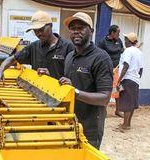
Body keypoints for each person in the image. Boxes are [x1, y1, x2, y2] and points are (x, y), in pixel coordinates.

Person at [59, 12, 113, 149]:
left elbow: (105, 98)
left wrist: (75, 92)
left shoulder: (101, 58)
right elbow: (69, 85)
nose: (76, 31)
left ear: (91, 31)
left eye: (81, 28)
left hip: (90, 126)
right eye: (72, 28)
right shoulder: (70, 56)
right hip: (70, 121)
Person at [0, 11, 74, 83]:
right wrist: (0, 70)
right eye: (35, 31)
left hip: (60, 95)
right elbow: (12, 59)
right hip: (38, 92)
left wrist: (52, 75)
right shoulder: (34, 47)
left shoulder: (68, 47)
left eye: (41, 29)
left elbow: (74, 78)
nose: (39, 34)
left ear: (51, 26)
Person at [116, 32, 143, 132]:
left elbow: (125, 66)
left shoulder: (128, 51)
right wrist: (138, 78)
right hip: (135, 80)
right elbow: (141, 69)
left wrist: (119, 81)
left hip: (127, 79)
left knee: (126, 103)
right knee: (131, 103)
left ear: (129, 41)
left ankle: (124, 125)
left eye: (126, 39)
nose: (124, 41)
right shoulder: (139, 52)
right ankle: (128, 124)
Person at [98, 25, 124, 118]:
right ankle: (103, 110)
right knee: (106, 89)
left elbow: (122, 51)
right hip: (106, 69)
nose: (119, 35)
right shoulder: (103, 42)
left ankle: (118, 110)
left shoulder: (119, 41)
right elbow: (99, 55)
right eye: (117, 33)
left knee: (118, 89)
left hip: (117, 69)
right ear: (112, 33)